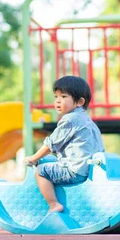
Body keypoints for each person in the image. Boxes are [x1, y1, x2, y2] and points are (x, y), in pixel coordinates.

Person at [24, 75, 105, 213]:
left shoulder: (69, 120)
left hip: (75, 171)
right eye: (56, 97)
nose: (57, 101)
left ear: (79, 102)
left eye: (63, 97)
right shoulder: (88, 121)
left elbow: (51, 144)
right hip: (90, 170)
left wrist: (33, 158)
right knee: (51, 165)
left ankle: (53, 204)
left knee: (41, 171)